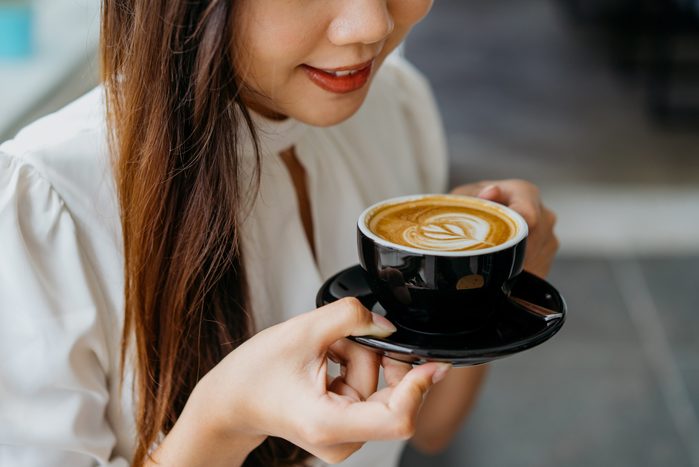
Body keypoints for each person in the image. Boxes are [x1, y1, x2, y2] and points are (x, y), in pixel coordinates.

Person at [0, 1, 558, 466]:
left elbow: (429, 428)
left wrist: (482, 296)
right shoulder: (45, 204)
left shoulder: (395, 105)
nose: (372, 24)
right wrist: (221, 422)